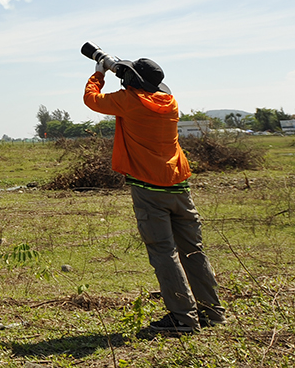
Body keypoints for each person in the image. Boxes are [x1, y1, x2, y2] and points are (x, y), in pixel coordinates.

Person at [82, 55, 225, 335]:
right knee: (193, 251)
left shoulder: (128, 101)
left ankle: (183, 319)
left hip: (149, 190)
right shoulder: (170, 104)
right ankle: (212, 312)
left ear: (133, 80)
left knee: (164, 252)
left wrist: (99, 72)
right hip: (179, 188)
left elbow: (92, 99)